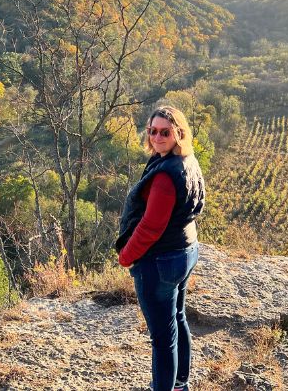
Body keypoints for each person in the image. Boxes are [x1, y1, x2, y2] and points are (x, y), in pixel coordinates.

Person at [116, 106, 205, 391]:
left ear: (179, 133)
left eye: (165, 132)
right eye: (152, 131)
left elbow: (150, 227)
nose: (157, 137)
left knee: (162, 339)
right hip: (185, 250)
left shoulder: (166, 176)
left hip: (161, 260)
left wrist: (126, 256)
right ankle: (180, 385)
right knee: (177, 320)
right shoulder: (186, 160)